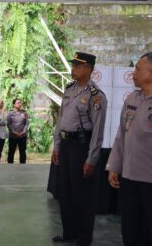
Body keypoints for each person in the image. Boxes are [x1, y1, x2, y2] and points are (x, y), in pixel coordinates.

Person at [51, 52, 107, 246]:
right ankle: (69, 232)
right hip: (66, 146)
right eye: (73, 65)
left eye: (77, 66)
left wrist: (91, 159)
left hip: (81, 147)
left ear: (89, 69)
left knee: (82, 195)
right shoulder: (69, 89)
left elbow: (98, 130)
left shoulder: (96, 95)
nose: (73, 69)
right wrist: (57, 145)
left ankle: (84, 238)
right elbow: (61, 120)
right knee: (65, 192)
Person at [106, 52, 152, 246]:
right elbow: (121, 136)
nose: (133, 73)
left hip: (150, 180)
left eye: (138, 69)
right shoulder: (132, 98)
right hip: (130, 176)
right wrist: (115, 166)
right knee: (130, 228)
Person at [7, 98, 29, 164]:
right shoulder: (10, 114)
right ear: (14, 104)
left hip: (22, 136)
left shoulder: (24, 113)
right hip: (13, 136)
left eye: (20, 103)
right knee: (11, 152)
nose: (20, 104)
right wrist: (13, 132)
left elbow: (26, 123)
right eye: (18, 103)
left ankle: (23, 166)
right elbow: (8, 124)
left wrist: (24, 131)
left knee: (22, 152)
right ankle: (10, 165)